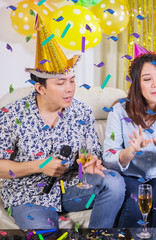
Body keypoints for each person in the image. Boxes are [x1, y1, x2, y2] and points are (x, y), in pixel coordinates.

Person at [0, 16, 125, 229]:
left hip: (71, 187)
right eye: (60, 82)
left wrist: (89, 163)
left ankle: (97, 236)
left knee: (114, 181)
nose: (69, 88)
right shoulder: (12, 114)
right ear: (40, 88)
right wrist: (39, 165)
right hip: (29, 194)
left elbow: (92, 154)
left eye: (72, 80)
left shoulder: (82, 111)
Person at [103, 44, 156, 228]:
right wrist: (130, 151)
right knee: (135, 209)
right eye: (147, 79)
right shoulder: (119, 111)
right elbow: (108, 156)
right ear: (136, 84)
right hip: (130, 176)